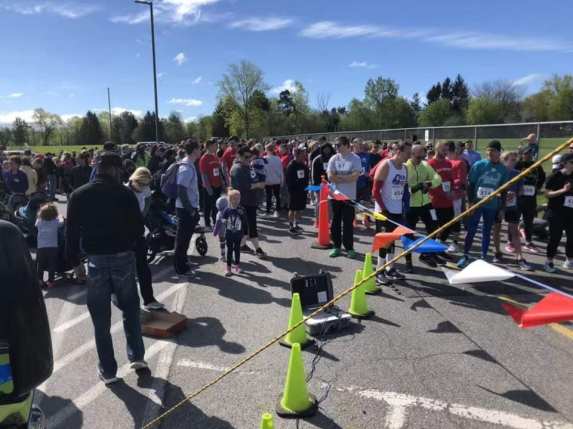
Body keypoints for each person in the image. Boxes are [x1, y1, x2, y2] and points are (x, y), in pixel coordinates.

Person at [66, 152, 147, 385]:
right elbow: (138, 229)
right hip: (123, 257)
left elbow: (71, 233)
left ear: (98, 168)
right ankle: (137, 356)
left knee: (100, 318)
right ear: (115, 170)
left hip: (96, 260)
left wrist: (75, 263)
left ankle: (108, 370)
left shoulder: (79, 195)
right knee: (130, 308)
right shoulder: (125, 194)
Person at [458, 140, 509, 267]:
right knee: (471, 229)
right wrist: (470, 202)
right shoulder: (479, 165)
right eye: (488, 150)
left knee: (487, 230)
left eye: (493, 150)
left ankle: (484, 257)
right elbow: (471, 185)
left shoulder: (503, 169)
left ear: (499, 152)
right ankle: (466, 255)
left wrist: (502, 208)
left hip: (491, 205)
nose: (490, 153)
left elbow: (504, 190)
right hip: (476, 203)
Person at [372, 141, 412, 283]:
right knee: (384, 241)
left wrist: (406, 207)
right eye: (408, 153)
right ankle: (379, 271)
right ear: (399, 152)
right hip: (383, 211)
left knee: (392, 239)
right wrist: (383, 210)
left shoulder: (405, 168)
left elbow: (404, 190)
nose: (409, 156)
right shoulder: (386, 165)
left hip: (397, 210)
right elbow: (375, 191)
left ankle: (390, 268)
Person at [127, 167, 164, 310]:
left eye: (147, 184)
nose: (144, 187)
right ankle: (131, 305)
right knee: (129, 272)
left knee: (144, 269)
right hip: (126, 236)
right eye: (142, 185)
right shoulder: (126, 192)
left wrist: (143, 214)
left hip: (139, 234)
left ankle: (149, 300)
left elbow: (148, 199)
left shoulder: (145, 187)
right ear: (135, 181)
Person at [492, 151, 532, 270]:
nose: (514, 162)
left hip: (512, 206)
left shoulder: (517, 174)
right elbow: (492, 189)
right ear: (504, 160)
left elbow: (521, 191)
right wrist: (501, 195)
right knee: (497, 229)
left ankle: (520, 257)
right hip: (498, 205)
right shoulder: (498, 172)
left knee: (514, 231)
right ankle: (497, 252)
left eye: (515, 160)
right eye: (512, 160)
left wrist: (515, 194)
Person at [404, 144, 441, 271]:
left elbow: (437, 178)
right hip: (411, 205)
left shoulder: (425, 165)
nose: (421, 159)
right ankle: (408, 261)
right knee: (408, 234)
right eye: (418, 156)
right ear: (412, 154)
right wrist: (417, 187)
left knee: (434, 227)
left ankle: (426, 254)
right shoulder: (405, 166)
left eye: (423, 156)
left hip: (426, 203)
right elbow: (404, 188)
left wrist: (429, 184)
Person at [327, 136, 362, 258]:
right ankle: (336, 246)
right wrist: (347, 178)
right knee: (335, 223)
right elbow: (330, 177)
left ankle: (349, 248)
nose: (336, 147)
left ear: (347, 145)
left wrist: (339, 178)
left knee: (348, 224)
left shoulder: (355, 158)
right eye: (335, 145)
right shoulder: (333, 158)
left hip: (349, 197)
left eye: (338, 145)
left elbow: (355, 177)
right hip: (335, 196)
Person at [231, 146, 267, 257]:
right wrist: (258, 185)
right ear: (239, 156)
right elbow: (243, 186)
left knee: (247, 227)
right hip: (243, 202)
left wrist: (260, 184)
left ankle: (242, 246)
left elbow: (254, 179)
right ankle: (258, 249)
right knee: (250, 226)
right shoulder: (237, 169)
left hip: (251, 201)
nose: (248, 159)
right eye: (246, 157)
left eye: (250, 156)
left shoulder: (248, 167)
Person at [174, 140, 202, 275]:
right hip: (185, 209)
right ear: (194, 150)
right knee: (182, 239)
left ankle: (183, 261)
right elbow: (181, 190)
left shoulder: (190, 164)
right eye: (199, 148)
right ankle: (180, 266)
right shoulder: (186, 167)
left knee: (186, 238)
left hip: (189, 207)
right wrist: (190, 210)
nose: (201, 150)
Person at [543, 152, 573, 272]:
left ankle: (569, 260)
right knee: (555, 237)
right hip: (556, 211)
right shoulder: (555, 176)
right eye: (572, 162)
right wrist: (563, 190)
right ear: (564, 163)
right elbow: (547, 194)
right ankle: (549, 261)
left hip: (571, 212)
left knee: (572, 237)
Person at [515, 147, 545, 252]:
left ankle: (528, 241)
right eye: (526, 153)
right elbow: (512, 177)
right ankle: (511, 241)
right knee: (514, 220)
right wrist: (516, 188)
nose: (528, 155)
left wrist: (538, 187)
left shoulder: (536, 165)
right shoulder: (518, 164)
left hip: (531, 198)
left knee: (529, 221)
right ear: (522, 154)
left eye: (530, 153)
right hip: (519, 197)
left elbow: (542, 177)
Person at [428, 142, 456, 251]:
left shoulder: (448, 163)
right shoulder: (430, 164)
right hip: (435, 202)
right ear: (437, 149)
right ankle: (431, 251)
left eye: (447, 150)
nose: (445, 152)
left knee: (448, 225)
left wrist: (452, 190)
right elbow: (430, 184)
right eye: (443, 150)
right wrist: (444, 193)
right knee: (435, 227)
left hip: (448, 202)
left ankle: (439, 246)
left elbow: (451, 180)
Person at [35, 203, 63, 289]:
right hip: (53, 247)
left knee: (41, 264)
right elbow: (62, 223)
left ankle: (40, 280)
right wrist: (60, 216)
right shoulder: (55, 222)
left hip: (41, 247)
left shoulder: (39, 222)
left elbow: (36, 224)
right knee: (52, 265)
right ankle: (50, 281)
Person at [220, 189, 246, 276]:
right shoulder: (227, 210)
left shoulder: (241, 209)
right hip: (229, 234)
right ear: (230, 199)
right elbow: (223, 220)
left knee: (237, 250)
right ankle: (228, 268)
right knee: (230, 250)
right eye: (234, 198)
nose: (237, 200)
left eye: (238, 198)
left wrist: (245, 235)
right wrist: (225, 223)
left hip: (238, 234)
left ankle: (237, 267)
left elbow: (245, 222)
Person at [448, 141, 468, 250]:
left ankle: (455, 242)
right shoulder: (446, 161)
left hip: (455, 195)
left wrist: (449, 184)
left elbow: (461, 179)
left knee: (456, 219)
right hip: (445, 196)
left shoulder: (460, 163)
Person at [199, 138, 224, 230]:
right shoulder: (204, 158)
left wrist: (222, 183)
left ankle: (216, 222)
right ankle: (207, 224)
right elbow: (204, 175)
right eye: (215, 145)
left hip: (217, 186)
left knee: (216, 206)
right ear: (209, 146)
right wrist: (208, 188)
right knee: (208, 206)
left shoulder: (215, 157)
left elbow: (219, 171)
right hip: (209, 187)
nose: (217, 147)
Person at [285, 146, 309, 234]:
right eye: (303, 154)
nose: (304, 156)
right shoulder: (291, 165)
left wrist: (306, 190)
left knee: (299, 209)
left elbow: (306, 178)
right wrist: (292, 190)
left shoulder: (304, 165)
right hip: (293, 191)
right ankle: (291, 226)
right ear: (297, 155)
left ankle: (296, 225)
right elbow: (288, 180)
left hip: (302, 191)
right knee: (292, 209)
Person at [263, 142, 284, 218]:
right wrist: (282, 180)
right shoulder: (277, 158)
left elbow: (263, 171)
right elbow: (281, 170)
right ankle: (277, 211)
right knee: (277, 196)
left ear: (267, 150)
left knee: (268, 196)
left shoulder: (264, 159)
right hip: (276, 180)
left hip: (268, 181)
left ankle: (268, 211)